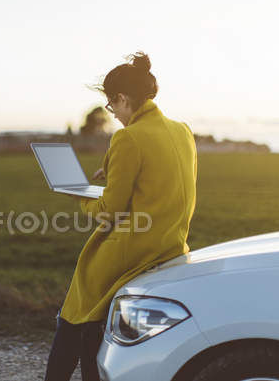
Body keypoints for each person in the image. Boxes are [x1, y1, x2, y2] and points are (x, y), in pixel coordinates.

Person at [43, 51, 198, 381]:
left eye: (112, 107)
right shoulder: (182, 131)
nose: (114, 115)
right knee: (87, 319)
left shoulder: (127, 137)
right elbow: (158, 179)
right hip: (169, 246)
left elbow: (108, 214)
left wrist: (79, 196)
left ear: (123, 99)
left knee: (73, 311)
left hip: (132, 251)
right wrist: (113, 169)